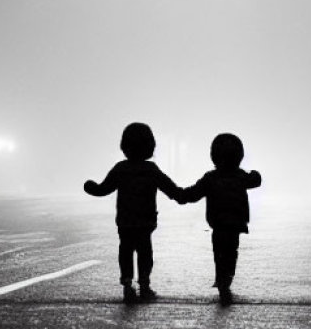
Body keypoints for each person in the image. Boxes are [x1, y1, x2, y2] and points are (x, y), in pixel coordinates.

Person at [83, 122, 183, 303]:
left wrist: (91, 187)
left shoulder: (121, 169)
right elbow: (171, 189)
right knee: (145, 252)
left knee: (125, 250)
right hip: (145, 222)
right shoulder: (151, 170)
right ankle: (144, 284)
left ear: (124, 146)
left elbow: (103, 189)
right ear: (150, 146)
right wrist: (185, 195)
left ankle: (127, 283)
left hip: (125, 221)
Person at [180, 132, 262, 306]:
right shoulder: (240, 176)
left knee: (218, 252)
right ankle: (228, 277)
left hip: (218, 223)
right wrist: (255, 172)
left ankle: (220, 279)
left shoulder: (210, 178)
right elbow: (256, 180)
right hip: (235, 223)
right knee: (232, 251)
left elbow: (193, 193)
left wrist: (177, 194)